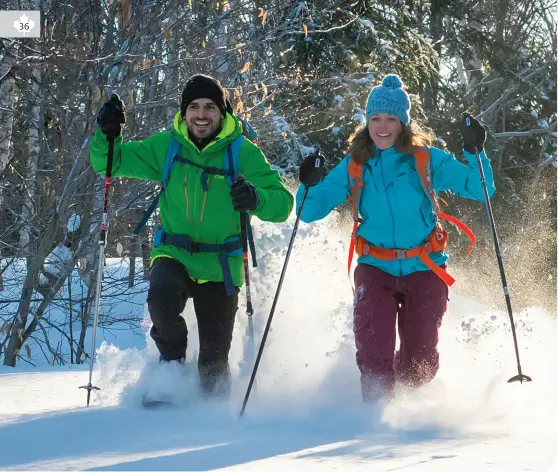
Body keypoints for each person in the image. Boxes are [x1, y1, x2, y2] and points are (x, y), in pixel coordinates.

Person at [90, 74, 294, 398]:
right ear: (184, 112)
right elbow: (109, 163)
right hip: (175, 253)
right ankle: (169, 380)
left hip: (221, 264)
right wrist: (107, 133)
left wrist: (256, 198)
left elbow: (282, 204)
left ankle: (210, 424)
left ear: (222, 111)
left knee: (214, 364)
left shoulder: (241, 152)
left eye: (210, 107)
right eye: (194, 107)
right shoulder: (167, 147)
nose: (201, 114)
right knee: (161, 301)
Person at [297, 74, 495, 402]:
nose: (383, 126)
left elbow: (480, 188)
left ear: (403, 122)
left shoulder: (425, 159)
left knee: (420, 363)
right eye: (376, 118)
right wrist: (309, 183)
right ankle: (374, 416)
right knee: (374, 351)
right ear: (367, 121)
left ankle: (408, 411)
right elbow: (309, 211)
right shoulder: (356, 164)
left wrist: (476, 152)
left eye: (391, 118)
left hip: (425, 266)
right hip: (375, 267)